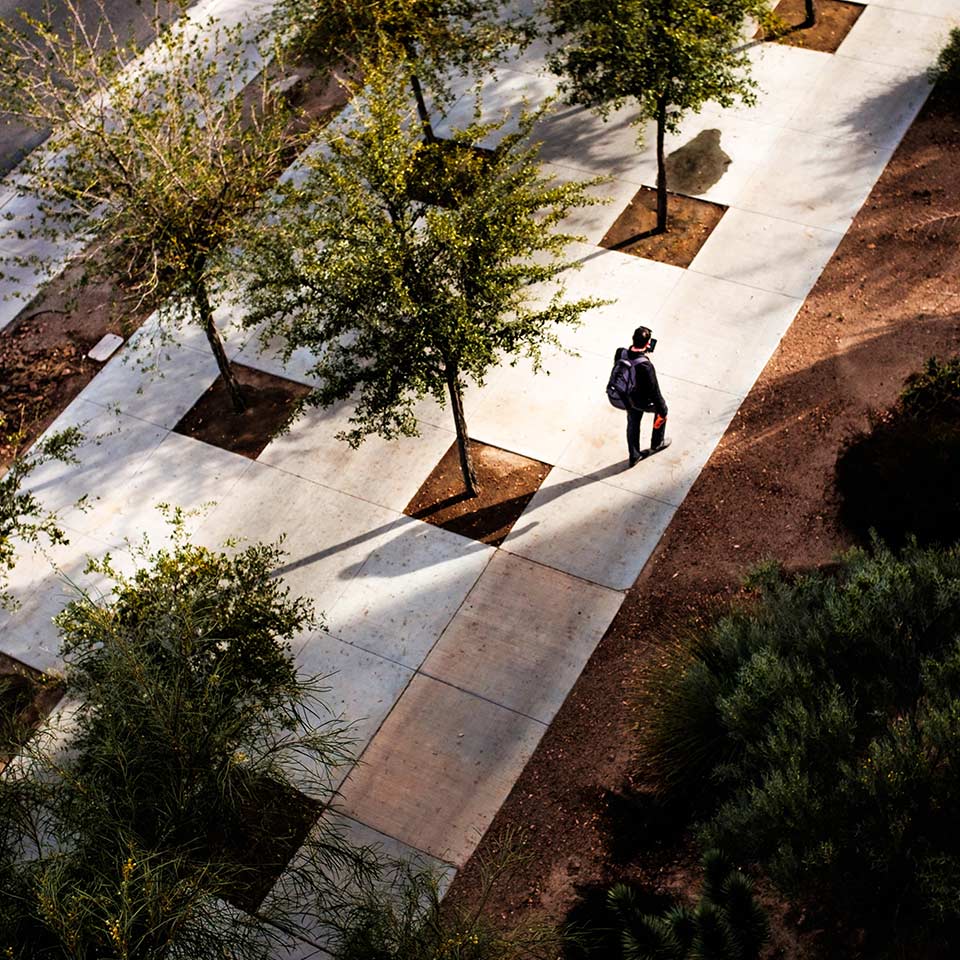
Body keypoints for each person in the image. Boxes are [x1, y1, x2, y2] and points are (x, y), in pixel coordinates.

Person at [623, 325, 670, 467]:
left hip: (628, 398)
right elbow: (654, 392)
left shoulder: (621, 353)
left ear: (633, 339)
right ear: (648, 344)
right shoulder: (646, 366)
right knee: (661, 411)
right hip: (642, 401)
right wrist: (663, 410)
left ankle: (634, 455)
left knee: (633, 423)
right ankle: (657, 442)